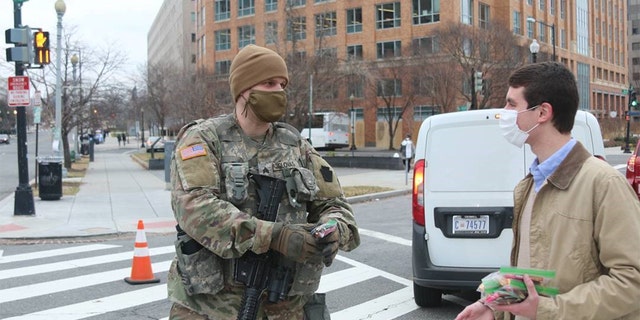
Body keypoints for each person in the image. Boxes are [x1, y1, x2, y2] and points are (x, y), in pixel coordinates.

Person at [167, 44, 360, 320]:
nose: (279, 91)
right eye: (269, 83)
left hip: (284, 309)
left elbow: (334, 204)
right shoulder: (204, 139)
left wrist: (333, 230)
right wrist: (275, 236)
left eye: (282, 84)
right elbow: (194, 209)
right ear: (244, 89)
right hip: (212, 309)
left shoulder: (296, 145)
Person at [455, 62, 640, 320]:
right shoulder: (529, 185)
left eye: (511, 104)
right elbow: (530, 273)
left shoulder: (604, 184)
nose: (504, 113)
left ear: (542, 113)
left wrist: (547, 310)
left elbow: (631, 284)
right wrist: (493, 305)